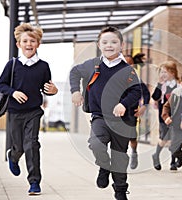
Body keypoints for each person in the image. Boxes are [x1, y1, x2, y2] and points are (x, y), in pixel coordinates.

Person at [70, 26, 141, 200]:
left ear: (121, 45)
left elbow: (136, 91)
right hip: (100, 117)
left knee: (120, 157)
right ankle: (104, 166)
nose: (110, 45)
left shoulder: (128, 69)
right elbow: (74, 72)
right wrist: (75, 91)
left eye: (114, 42)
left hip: (122, 121)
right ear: (99, 45)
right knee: (96, 143)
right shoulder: (92, 65)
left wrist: (124, 104)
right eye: (105, 42)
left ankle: (120, 190)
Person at [0, 23, 58, 195]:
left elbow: (47, 88)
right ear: (19, 44)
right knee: (20, 146)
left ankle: (34, 182)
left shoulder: (43, 66)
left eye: (32, 41)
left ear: (38, 44)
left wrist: (54, 91)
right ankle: (13, 156)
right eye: (25, 41)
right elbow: (1, 85)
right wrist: (14, 92)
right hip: (15, 112)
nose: (29, 44)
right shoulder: (13, 64)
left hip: (34, 111)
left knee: (32, 144)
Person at [151, 61, 181, 171]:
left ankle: (173, 162)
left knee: (175, 139)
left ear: (172, 72)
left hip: (176, 116)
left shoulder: (178, 85)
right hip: (163, 117)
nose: (163, 74)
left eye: (165, 72)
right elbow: (155, 97)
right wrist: (159, 84)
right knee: (164, 138)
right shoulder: (162, 86)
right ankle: (156, 155)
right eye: (161, 72)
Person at [123, 54, 150, 170]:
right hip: (117, 112)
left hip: (131, 112)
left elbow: (146, 94)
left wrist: (143, 107)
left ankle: (134, 152)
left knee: (131, 137)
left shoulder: (136, 79)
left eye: (130, 64)